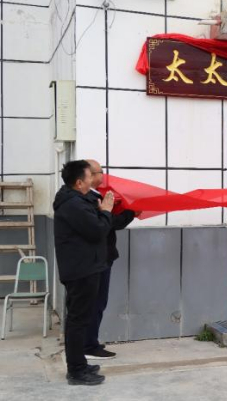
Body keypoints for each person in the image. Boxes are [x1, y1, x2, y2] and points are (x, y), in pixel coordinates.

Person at [53, 160, 114, 385]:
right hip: (81, 270)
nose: (94, 180)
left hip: (85, 267)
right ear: (79, 182)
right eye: (90, 177)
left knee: (80, 319)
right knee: (78, 321)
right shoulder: (73, 205)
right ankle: (76, 371)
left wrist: (101, 209)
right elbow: (97, 231)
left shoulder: (77, 199)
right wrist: (106, 211)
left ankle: (79, 363)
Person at [83, 160, 137, 360]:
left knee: (97, 303)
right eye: (100, 172)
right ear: (89, 175)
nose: (103, 176)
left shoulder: (93, 196)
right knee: (95, 303)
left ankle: (89, 342)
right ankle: (88, 346)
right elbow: (109, 223)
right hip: (97, 259)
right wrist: (130, 212)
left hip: (101, 257)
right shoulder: (87, 199)